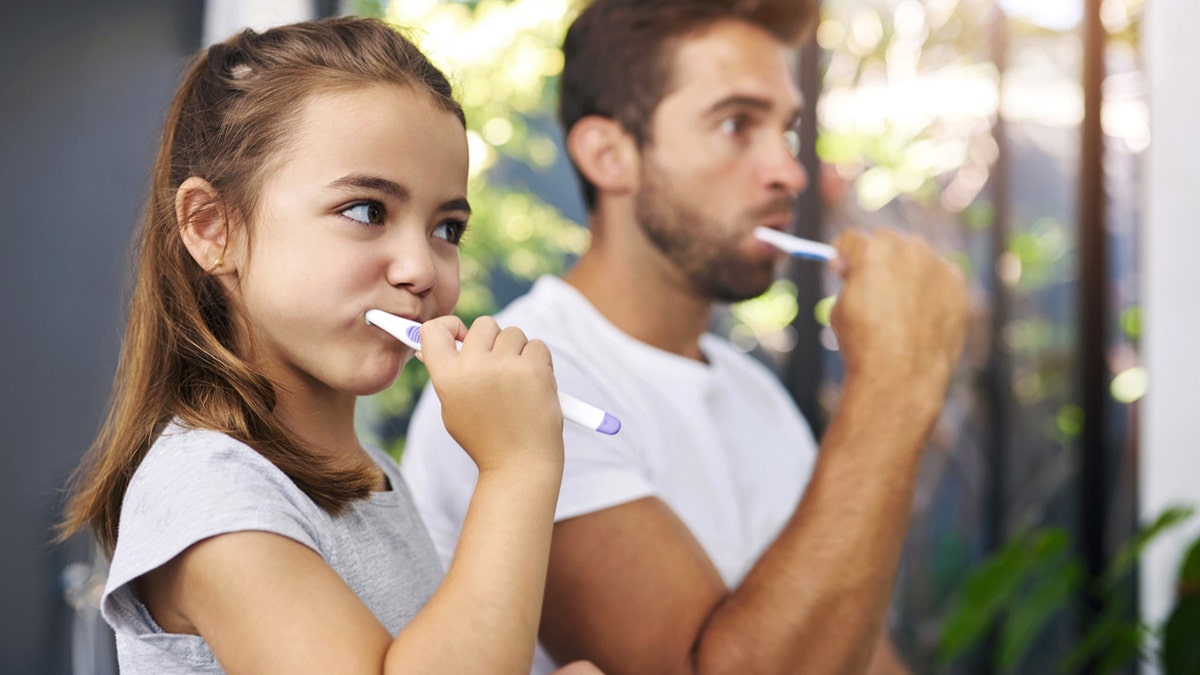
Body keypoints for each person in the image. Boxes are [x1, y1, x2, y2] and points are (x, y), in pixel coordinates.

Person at [399, 0, 971, 673]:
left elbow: (848, 649)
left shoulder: (756, 397)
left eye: (784, 131)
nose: (788, 171)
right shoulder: (524, 388)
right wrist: (893, 383)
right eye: (736, 124)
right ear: (609, 155)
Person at [57, 17, 601, 675]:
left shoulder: (376, 478)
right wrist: (517, 469)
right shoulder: (204, 492)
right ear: (211, 227)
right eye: (368, 211)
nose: (422, 269)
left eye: (447, 228)